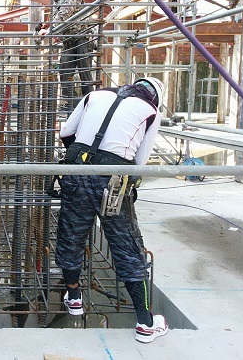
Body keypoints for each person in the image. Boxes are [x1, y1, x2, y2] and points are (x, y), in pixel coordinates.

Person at [55, 77, 169, 344]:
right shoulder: (151, 112)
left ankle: (73, 299)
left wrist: (85, 159)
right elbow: (138, 163)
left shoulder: (95, 95)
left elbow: (65, 134)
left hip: (76, 172)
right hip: (113, 182)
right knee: (127, 248)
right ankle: (145, 322)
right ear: (156, 97)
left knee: (71, 236)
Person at [38, 0, 94, 110]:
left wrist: (50, 30)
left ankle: (91, 107)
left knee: (84, 74)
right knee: (64, 74)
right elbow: (60, 15)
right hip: (69, 40)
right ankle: (76, 107)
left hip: (82, 37)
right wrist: (47, 26)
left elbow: (65, 13)